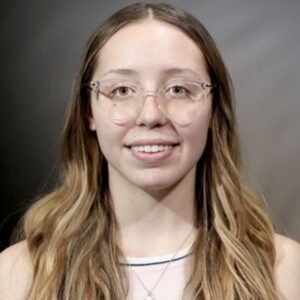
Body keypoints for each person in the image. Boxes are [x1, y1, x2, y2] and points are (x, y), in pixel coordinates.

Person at [0, 2, 299, 300]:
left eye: (179, 89)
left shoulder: (285, 271)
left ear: (214, 111)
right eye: (122, 90)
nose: (151, 115)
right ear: (87, 112)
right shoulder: (18, 276)